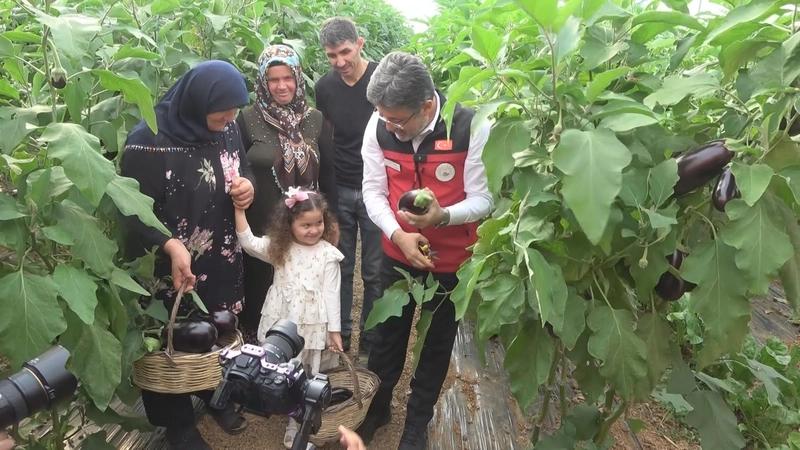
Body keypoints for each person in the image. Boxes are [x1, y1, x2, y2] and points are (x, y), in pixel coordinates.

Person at [356, 52, 494, 449]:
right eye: (385, 118)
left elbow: (484, 199)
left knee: (434, 345)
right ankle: (378, 407)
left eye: (399, 120)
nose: (391, 127)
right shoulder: (380, 123)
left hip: (452, 261)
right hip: (397, 254)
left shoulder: (470, 126)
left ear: (429, 105)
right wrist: (397, 234)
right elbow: (373, 190)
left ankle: (417, 422)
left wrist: (442, 216)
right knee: (385, 338)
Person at [120, 60, 256, 450]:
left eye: (234, 110)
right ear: (197, 102)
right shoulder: (148, 140)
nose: (230, 118)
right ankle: (176, 423)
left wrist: (247, 188)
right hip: (170, 263)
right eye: (222, 110)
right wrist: (169, 244)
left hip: (220, 254)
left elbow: (242, 167)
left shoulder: (227, 127)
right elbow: (131, 208)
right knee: (172, 341)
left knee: (218, 331)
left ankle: (214, 397)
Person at [236, 44, 339, 345]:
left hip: (305, 225)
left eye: (288, 78)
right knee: (261, 288)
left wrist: (332, 221)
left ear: (298, 77)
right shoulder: (246, 119)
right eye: (273, 79)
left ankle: (303, 355)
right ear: (262, 82)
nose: (282, 86)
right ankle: (259, 358)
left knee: (304, 289)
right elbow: (238, 167)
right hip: (261, 222)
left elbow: (329, 172)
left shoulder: (315, 119)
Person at [234, 185, 344, 449]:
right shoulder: (279, 249)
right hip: (283, 324)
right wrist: (239, 210)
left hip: (312, 325)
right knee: (283, 372)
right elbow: (248, 243)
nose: (314, 230)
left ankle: (298, 425)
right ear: (289, 224)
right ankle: (278, 404)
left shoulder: (327, 254)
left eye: (318, 223)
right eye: (305, 225)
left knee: (306, 373)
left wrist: (335, 331)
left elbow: (333, 294)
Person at [314, 17, 382, 361]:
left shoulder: (381, 80)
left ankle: (370, 342)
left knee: (374, 271)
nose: (340, 62)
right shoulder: (324, 87)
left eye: (345, 52)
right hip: (340, 187)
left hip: (377, 190)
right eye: (331, 55)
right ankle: (341, 340)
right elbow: (326, 140)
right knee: (338, 266)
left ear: (360, 42)